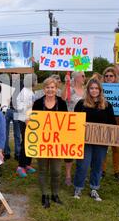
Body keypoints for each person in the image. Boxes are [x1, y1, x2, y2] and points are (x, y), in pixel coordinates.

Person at [73, 78, 116, 201]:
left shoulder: (107, 105)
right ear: (88, 89)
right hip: (84, 141)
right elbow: (74, 122)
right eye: (91, 88)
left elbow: (112, 124)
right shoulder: (81, 104)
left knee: (97, 165)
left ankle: (94, 188)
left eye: (96, 88)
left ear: (100, 90)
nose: (94, 90)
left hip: (101, 142)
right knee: (83, 165)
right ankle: (78, 187)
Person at [32, 77, 67, 208]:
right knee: (42, 169)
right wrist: (29, 122)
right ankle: (44, 195)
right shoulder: (37, 103)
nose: (50, 90)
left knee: (56, 171)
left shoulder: (62, 103)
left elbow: (66, 122)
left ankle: (55, 194)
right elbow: (34, 121)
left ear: (56, 88)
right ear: (44, 89)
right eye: (47, 87)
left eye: (52, 87)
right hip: (42, 142)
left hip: (57, 143)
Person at [61, 71, 85, 186]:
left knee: (82, 149)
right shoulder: (70, 89)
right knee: (69, 150)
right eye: (83, 76)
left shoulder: (86, 90)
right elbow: (62, 98)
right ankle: (68, 175)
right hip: (70, 123)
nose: (84, 78)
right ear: (76, 78)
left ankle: (80, 174)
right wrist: (66, 84)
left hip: (83, 123)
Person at [101, 67, 119, 183]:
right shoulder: (100, 89)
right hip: (103, 120)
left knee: (116, 147)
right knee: (102, 147)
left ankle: (117, 171)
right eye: (107, 76)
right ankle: (102, 170)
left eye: (111, 76)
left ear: (115, 77)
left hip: (117, 119)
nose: (109, 78)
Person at [14, 74, 37, 178]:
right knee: (26, 143)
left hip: (30, 120)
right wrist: (30, 105)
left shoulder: (30, 91)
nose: (36, 82)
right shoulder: (24, 92)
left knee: (31, 142)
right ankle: (20, 166)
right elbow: (18, 106)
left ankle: (27, 164)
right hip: (24, 120)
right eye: (36, 80)